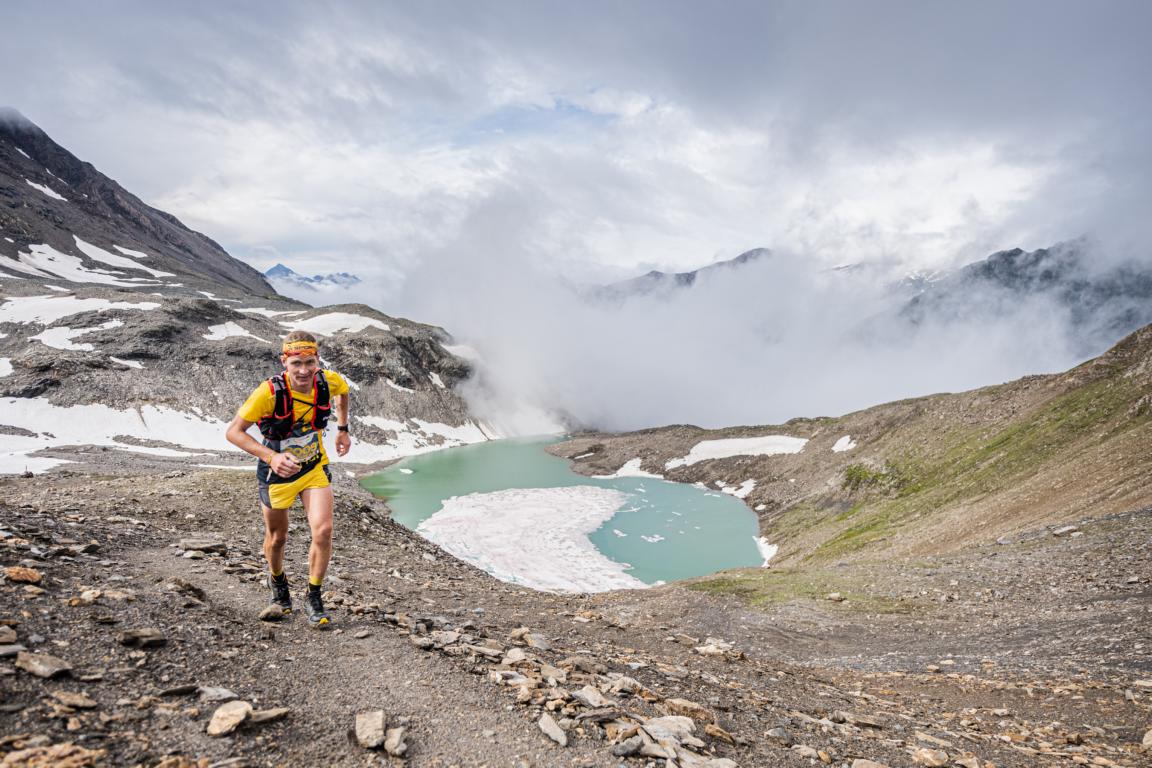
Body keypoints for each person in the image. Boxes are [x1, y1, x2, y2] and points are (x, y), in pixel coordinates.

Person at [225, 330, 352, 628]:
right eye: (296, 363)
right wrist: (272, 457)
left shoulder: (327, 381)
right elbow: (233, 432)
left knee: (323, 531)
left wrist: (343, 429)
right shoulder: (268, 393)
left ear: (317, 360)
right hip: (276, 474)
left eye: (309, 362)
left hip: (313, 466)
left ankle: (313, 596)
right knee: (277, 537)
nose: (304, 370)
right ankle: (278, 584)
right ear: (285, 362)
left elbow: (344, 391)